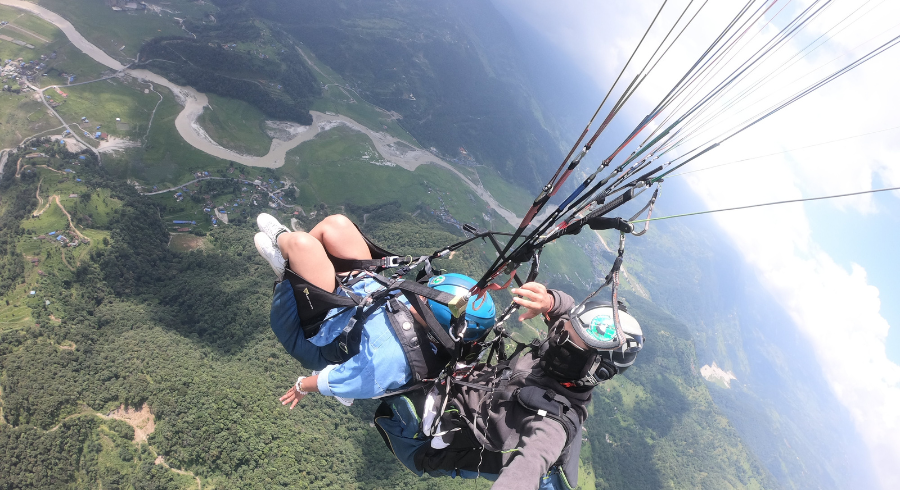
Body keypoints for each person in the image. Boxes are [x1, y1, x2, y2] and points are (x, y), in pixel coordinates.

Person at [373, 282, 644, 490]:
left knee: (396, 356)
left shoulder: (552, 425)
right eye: (562, 329)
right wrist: (550, 301)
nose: (555, 337)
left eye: (565, 341)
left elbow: (529, 467)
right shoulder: (568, 354)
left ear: (592, 370)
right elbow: (566, 310)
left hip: (425, 441)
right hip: (463, 388)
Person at [253, 213, 496, 406]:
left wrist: (301, 386)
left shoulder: (390, 358)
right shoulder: (427, 314)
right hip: (359, 291)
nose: (419, 293)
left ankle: (287, 257)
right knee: (337, 225)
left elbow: (339, 380)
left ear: (434, 320)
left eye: (424, 298)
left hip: (323, 326)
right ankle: (294, 261)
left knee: (302, 244)